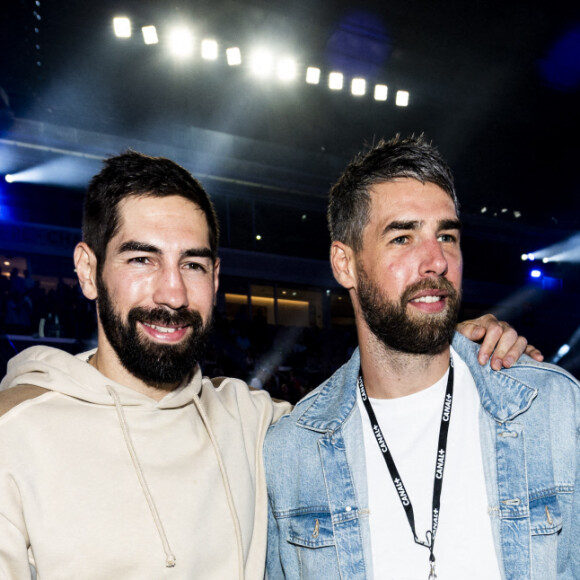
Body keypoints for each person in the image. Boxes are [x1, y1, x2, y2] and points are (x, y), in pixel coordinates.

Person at [0, 150, 538, 580]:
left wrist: (449, 339)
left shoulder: (255, 424)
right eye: (142, 259)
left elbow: (382, 406)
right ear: (88, 270)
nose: (172, 292)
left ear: (215, 279)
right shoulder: (17, 435)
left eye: (193, 264)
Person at [264, 135, 579, 580]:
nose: (436, 261)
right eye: (403, 237)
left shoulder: (554, 410)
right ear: (345, 264)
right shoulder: (292, 451)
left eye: (446, 235)